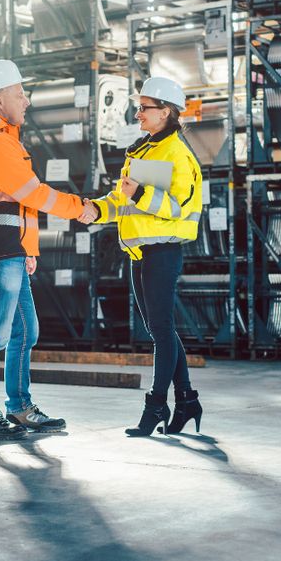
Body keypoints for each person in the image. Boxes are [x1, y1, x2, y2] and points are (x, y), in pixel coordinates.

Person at [0, 59, 99, 440]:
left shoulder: (6, 139)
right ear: (0, 100)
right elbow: (32, 195)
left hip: (12, 252)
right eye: (21, 94)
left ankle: (19, 407)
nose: (28, 101)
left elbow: (17, 206)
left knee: (26, 332)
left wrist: (29, 248)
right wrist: (80, 207)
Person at [79, 76, 203, 437]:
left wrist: (140, 194)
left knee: (161, 330)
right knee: (158, 329)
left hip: (163, 250)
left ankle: (156, 405)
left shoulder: (177, 154)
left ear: (166, 112)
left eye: (144, 107)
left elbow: (179, 208)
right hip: (138, 252)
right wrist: (96, 210)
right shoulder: (143, 150)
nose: (138, 114)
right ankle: (188, 401)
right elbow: (123, 201)